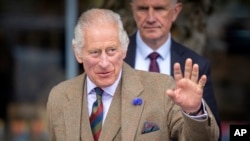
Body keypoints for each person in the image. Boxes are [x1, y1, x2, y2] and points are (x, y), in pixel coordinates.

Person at [47, 8, 219, 141]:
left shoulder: (162, 89)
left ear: (124, 48)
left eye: (111, 50)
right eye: (95, 53)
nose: (105, 62)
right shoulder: (59, 97)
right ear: (78, 53)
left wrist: (194, 112)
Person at [124, 0, 221, 137]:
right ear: (133, 10)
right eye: (143, 9)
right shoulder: (112, 59)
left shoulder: (197, 65)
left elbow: (212, 136)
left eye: (159, 9)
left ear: (175, 11)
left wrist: (195, 112)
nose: (151, 18)